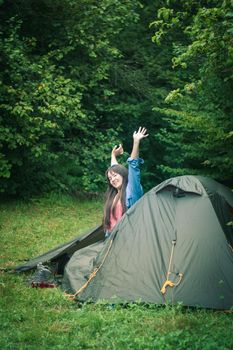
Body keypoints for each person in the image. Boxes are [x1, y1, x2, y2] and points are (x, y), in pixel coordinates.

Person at [104, 126, 148, 234]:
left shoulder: (132, 191)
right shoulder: (115, 193)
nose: (112, 180)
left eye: (115, 176)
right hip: (110, 241)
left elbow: (133, 166)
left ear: (123, 175)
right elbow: (114, 169)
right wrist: (113, 155)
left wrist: (136, 142)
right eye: (110, 178)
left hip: (126, 241)